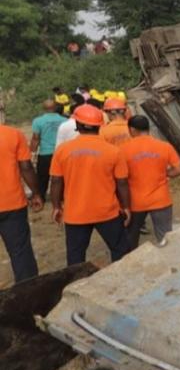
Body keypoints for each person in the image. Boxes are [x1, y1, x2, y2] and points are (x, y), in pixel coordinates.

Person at [50, 104, 132, 266]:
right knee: (120, 251)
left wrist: (56, 206)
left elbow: (56, 181)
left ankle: (77, 287)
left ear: (78, 125)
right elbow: (122, 182)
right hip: (107, 212)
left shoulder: (62, 151)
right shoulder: (113, 151)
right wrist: (127, 206)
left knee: (75, 258)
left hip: (75, 213)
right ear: (100, 125)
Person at [123, 115, 180, 248]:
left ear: (132, 130)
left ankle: (133, 262)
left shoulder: (123, 150)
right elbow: (178, 170)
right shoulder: (164, 146)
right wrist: (165, 173)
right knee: (165, 238)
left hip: (135, 202)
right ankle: (168, 263)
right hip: (161, 199)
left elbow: (121, 177)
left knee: (131, 236)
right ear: (147, 128)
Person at [0, 124, 42, 283]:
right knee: (20, 252)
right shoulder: (13, 134)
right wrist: (36, 193)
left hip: (12, 204)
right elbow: (26, 167)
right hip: (12, 204)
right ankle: (29, 294)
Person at [30, 100, 67, 202]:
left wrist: (32, 153)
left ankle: (41, 197)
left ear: (44, 108)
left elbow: (36, 138)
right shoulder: (65, 120)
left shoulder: (38, 121)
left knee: (42, 177)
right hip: (61, 153)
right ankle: (61, 197)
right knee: (61, 177)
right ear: (55, 108)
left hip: (45, 153)